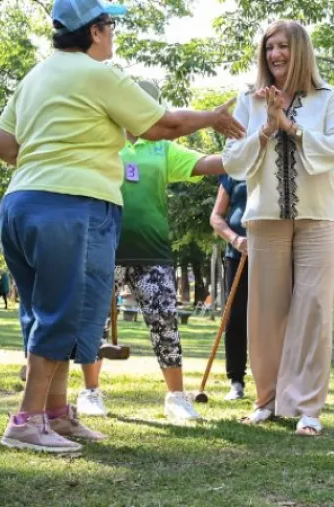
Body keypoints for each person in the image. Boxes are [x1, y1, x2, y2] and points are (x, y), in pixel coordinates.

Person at [0, 0, 243, 453]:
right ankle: (27, 420)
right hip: (73, 206)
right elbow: (162, 125)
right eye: (109, 24)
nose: (112, 32)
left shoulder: (37, 75)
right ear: (93, 31)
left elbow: (1, 143)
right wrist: (213, 117)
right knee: (63, 311)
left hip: (19, 204)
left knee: (43, 310)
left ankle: (56, 413)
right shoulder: (100, 75)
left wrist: (46, 159)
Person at [222, 20, 334, 436]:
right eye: (269, 47)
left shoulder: (327, 97)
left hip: (319, 216)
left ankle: (308, 407)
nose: (275, 54)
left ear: (301, 51)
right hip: (265, 216)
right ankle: (267, 399)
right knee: (266, 311)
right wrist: (266, 127)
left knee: (313, 308)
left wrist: (292, 127)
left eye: (283, 46)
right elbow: (232, 160)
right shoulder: (250, 100)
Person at [75, 81, 228, 421]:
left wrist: (251, 148)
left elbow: (208, 163)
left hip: (152, 253)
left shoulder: (161, 148)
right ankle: (90, 392)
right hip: (103, 248)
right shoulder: (103, 141)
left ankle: (176, 397)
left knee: (165, 321)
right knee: (93, 323)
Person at [210, 174, 249, 401]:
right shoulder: (234, 172)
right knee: (235, 318)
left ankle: (276, 384)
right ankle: (236, 381)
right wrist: (236, 240)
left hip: (273, 254)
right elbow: (216, 217)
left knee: (272, 320)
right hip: (238, 255)